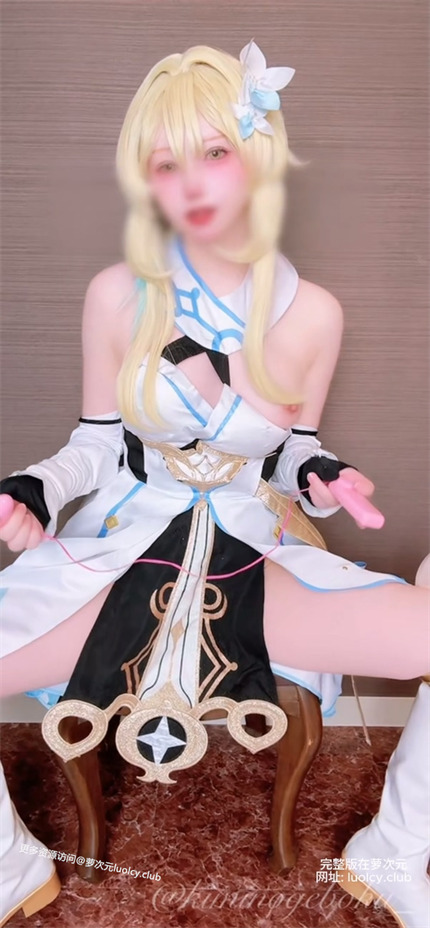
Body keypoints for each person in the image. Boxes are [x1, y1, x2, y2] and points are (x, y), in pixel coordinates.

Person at [0, 40, 428, 927]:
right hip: (127, 546)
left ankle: (392, 853)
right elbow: (94, 443)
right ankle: (10, 867)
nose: (190, 182)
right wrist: (38, 484)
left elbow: (292, 449)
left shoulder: (314, 314)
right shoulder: (117, 295)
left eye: (215, 151)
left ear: (259, 154)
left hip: (252, 555)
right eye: (165, 163)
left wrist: (322, 478)